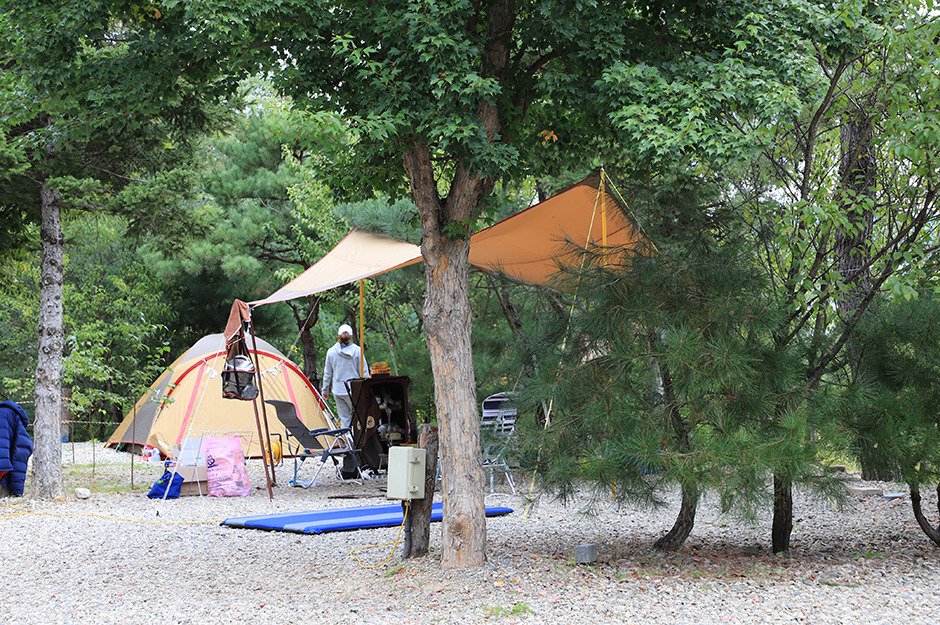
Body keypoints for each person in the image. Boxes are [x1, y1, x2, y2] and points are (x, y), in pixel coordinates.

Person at [321, 324, 368, 429]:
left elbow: (327, 373)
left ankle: (347, 439)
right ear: (351, 336)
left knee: (344, 418)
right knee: (358, 417)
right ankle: (358, 438)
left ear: (338, 335)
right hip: (354, 390)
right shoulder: (357, 351)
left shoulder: (331, 352)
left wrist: (325, 390)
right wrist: (367, 388)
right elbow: (364, 372)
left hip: (338, 390)